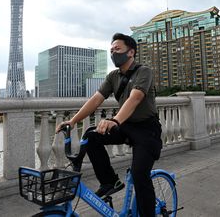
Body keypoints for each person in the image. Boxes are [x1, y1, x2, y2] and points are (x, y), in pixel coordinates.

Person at [56, 33, 162, 216]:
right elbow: (96, 99)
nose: (113, 53)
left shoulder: (144, 71)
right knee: (91, 136)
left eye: (118, 49)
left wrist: (114, 120)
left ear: (131, 52)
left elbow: (135, 98)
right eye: (111, 50)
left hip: (147, 130)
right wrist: (73, 121)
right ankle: (110, 181)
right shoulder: (113, 76)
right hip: (127, 126)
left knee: (139, 176)